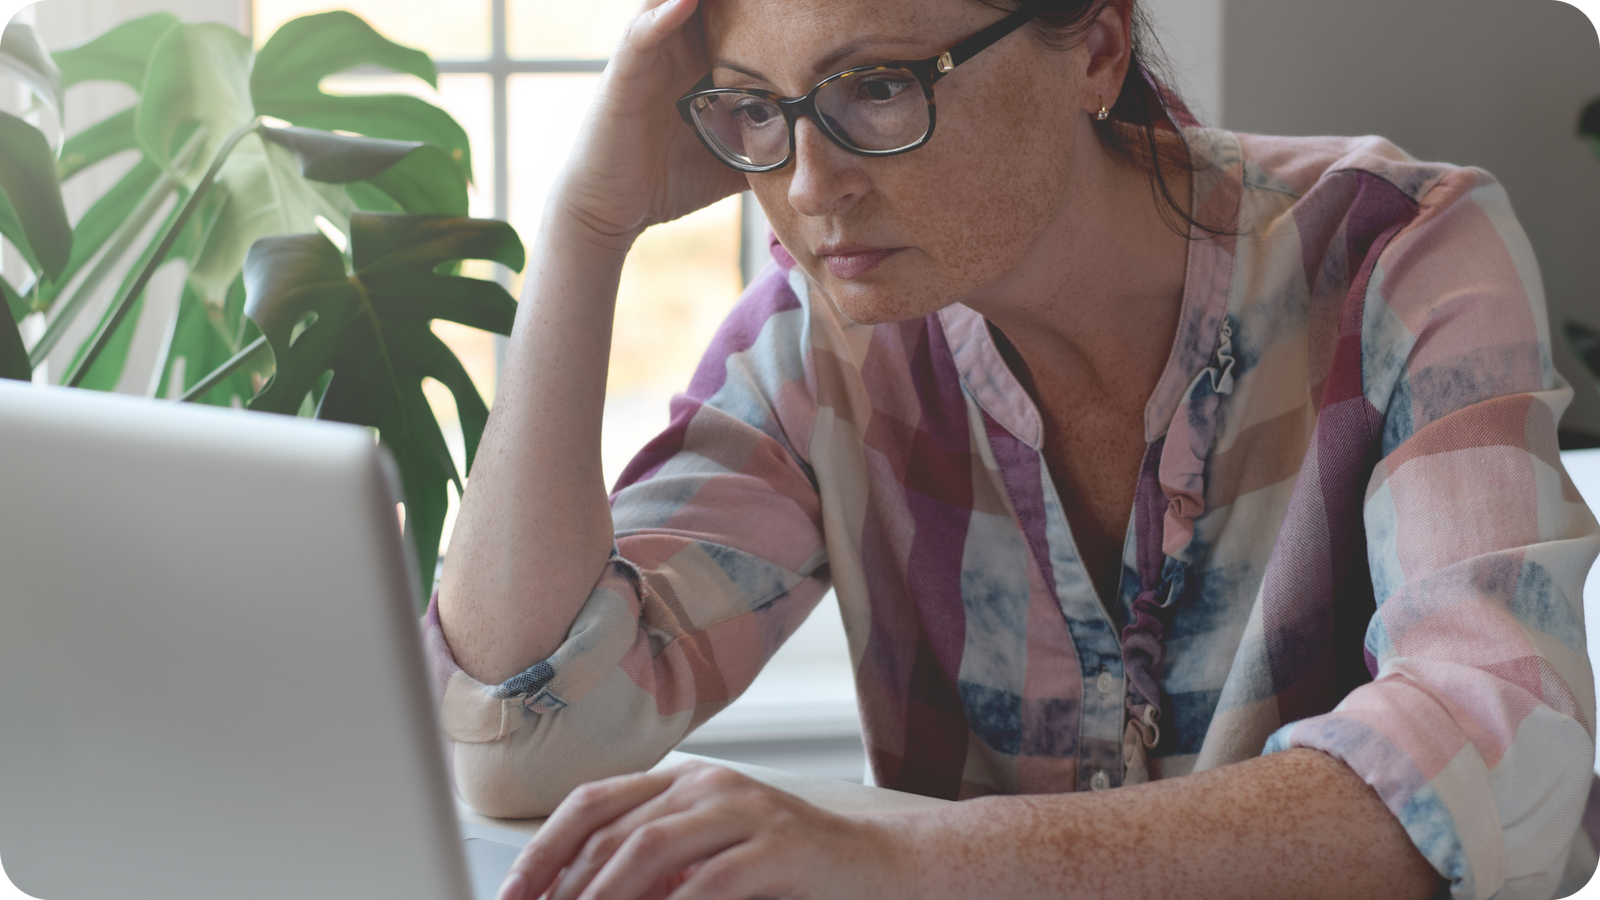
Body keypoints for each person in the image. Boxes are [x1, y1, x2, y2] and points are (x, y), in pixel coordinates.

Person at [428, 0, 1600, 897]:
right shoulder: (817, 339)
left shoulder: (1400, 251)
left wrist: (906, 862)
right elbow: (524, 735)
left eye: (878, 87)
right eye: (754, 108)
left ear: (1095, 46)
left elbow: (1501, 766)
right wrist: (586, 226)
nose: (808, 184)